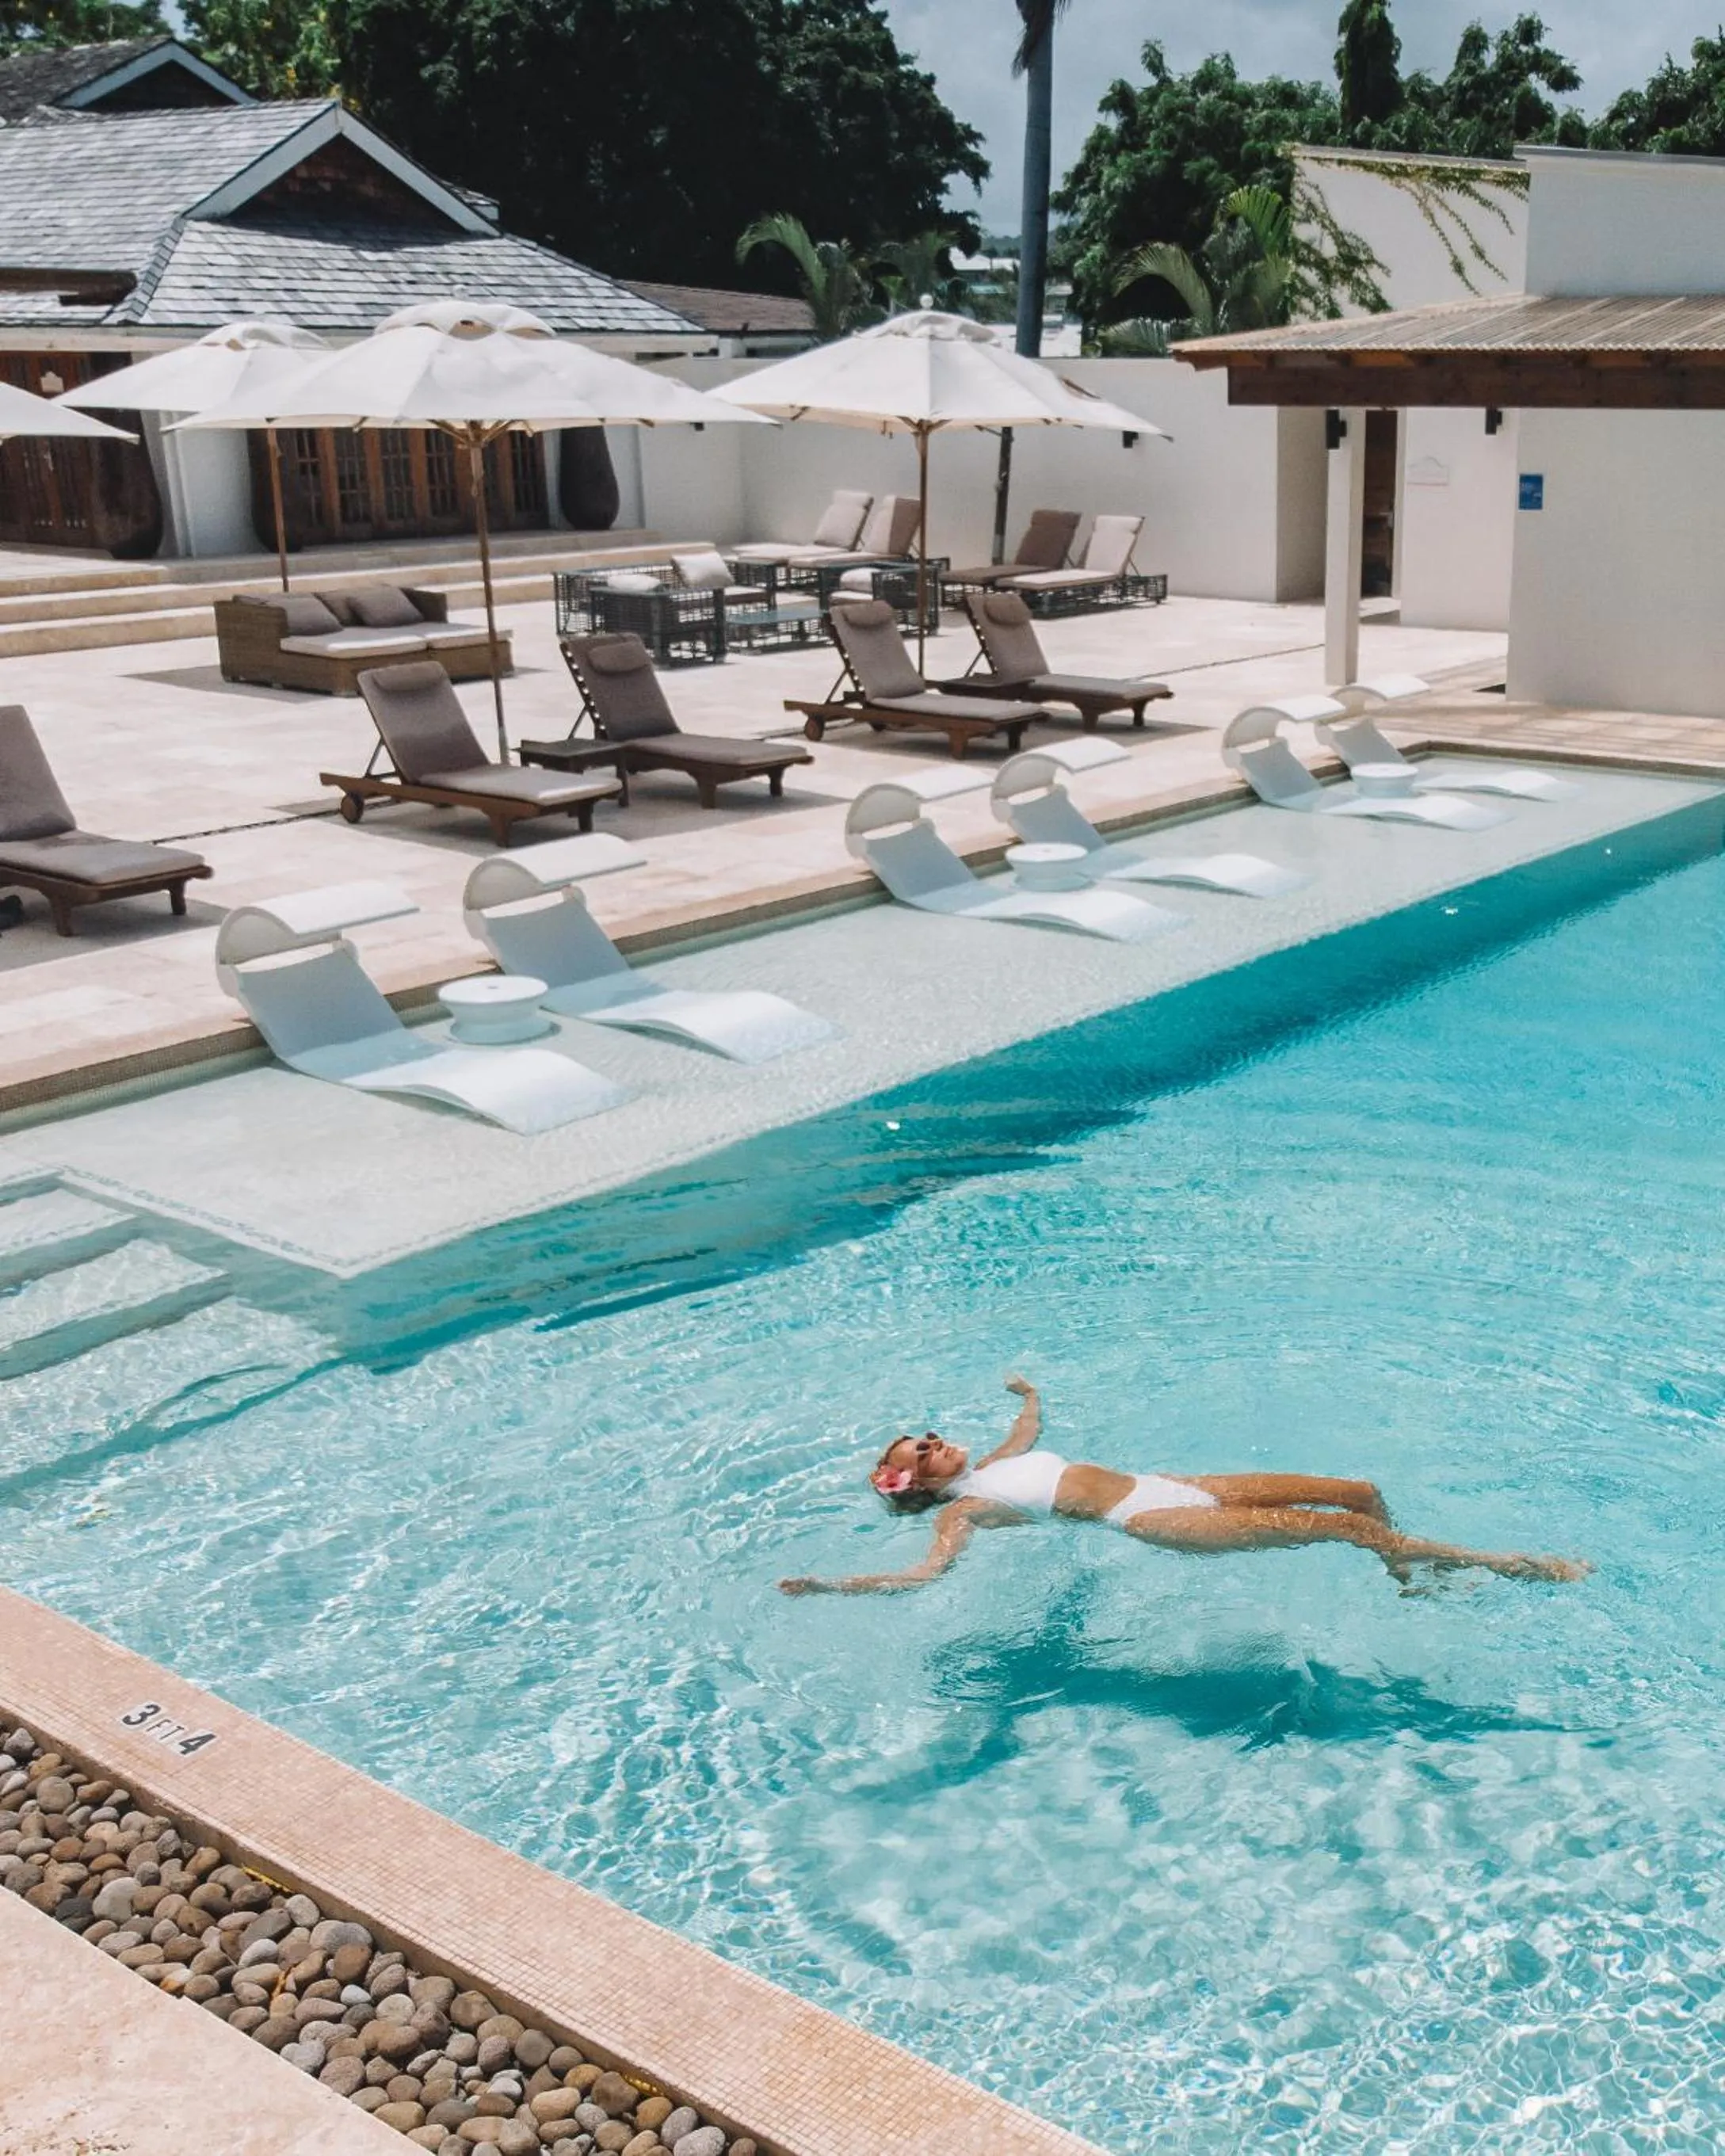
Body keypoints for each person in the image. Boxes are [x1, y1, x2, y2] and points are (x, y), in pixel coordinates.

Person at [778, 1376, 1588, 1595]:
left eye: (924, 1434)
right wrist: (832, 1586)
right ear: (920, 1482)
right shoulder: (970, 1508)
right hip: (1155, 1521)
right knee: (1348, 1529)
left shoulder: (995, 1458)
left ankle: (1408, 1575)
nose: (930, 1440)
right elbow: (927, 1573)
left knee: (1357, 1491)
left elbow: (1027, 1432)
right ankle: (1504, 1564)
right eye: (919, 1450)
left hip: (1179, 1482)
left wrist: (1024, 1396)